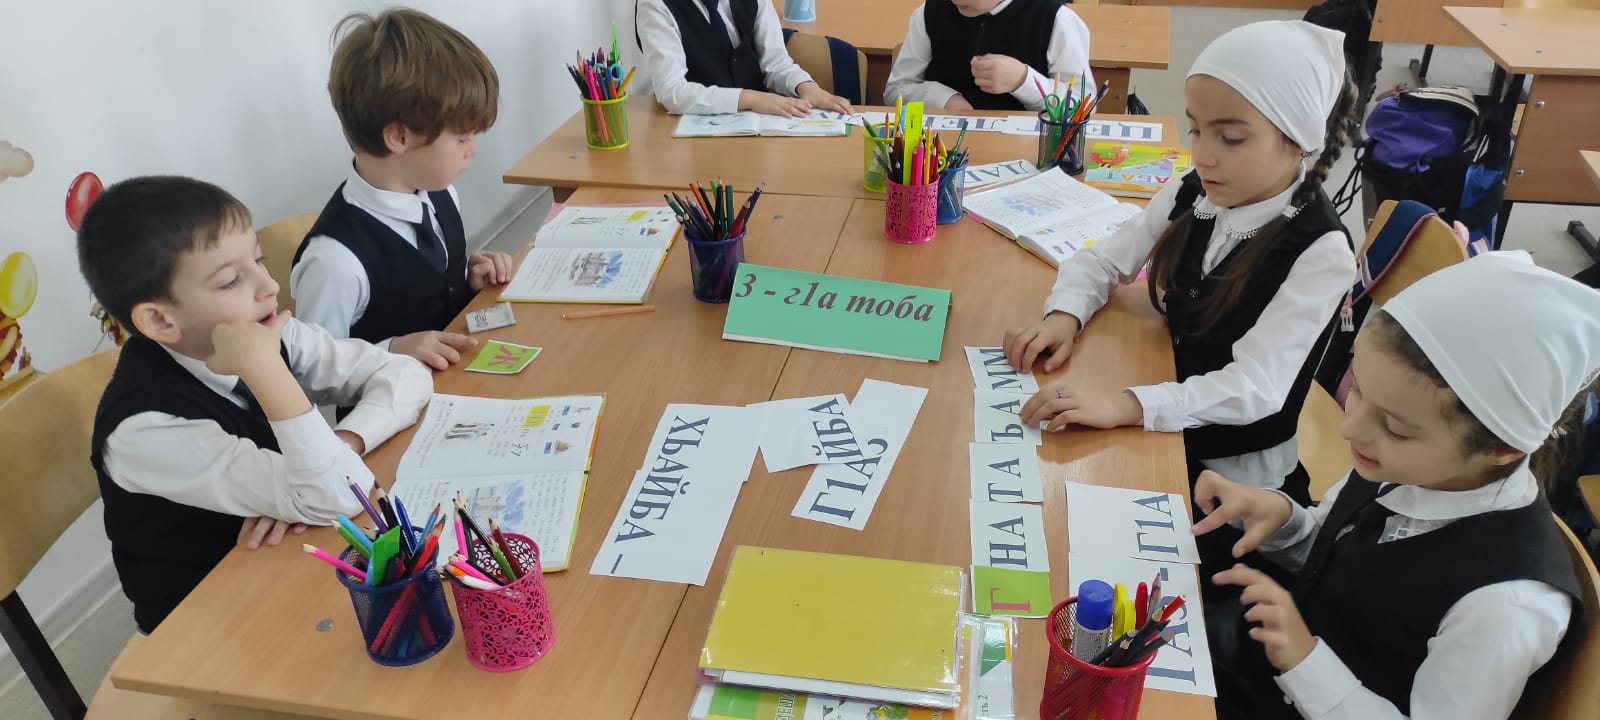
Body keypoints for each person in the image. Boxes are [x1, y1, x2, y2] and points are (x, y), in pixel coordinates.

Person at [1193, 251, 1590, 719]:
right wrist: (1283, 520)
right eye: (1357, 390)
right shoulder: (1405, 466)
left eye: (1395, 428)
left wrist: (1305, 661)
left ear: (1502, 449)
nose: (1351, 429)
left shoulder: (1505, 606)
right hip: (1256, 664)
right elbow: (1336, 557)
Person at [1005, 21, 1360, 507]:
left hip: (1231, 483)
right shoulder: (1196, 190)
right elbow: (1106, 259)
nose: (1203, 155)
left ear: (1297, 139)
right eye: (1196, 129)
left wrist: (1129, 404)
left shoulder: (1320, 250)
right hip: (1162, 414)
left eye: (1230, 138)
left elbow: (1255, 387)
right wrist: (1064, 314)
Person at [79, 176, 432, 633]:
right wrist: (265, 371)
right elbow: (343, 496)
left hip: (295, 551)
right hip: (207, 618)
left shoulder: (262, 328)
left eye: (259, 260)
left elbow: (404, 374)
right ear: (161, 321)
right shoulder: (143, 430)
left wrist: (344, 442)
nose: (269, 287)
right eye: (231, 281)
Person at [291, 9, 513, 370]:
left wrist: (466, 280)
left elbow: (427, 288)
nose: (473, 149)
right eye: (462, 138)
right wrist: (390, 350)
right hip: (395, 403)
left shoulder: (439, 194)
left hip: (461, 377)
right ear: (399, 137)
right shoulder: (335, 262)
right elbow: (310, 372)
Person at [635, 0, 853, 116]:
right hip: (693, 132)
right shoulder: (656, 5)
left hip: (756, 128)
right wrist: (751, 99)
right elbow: (672, 91)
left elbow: (776, 62)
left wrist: (806, 88)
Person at [884, 0, 1093, 112]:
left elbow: (1084, 105)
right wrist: (942, 99)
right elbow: (895, 91)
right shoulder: (927, 12)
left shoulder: (1058, 20)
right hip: (939, 153)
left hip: (1025, 156)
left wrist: (1024, 81)